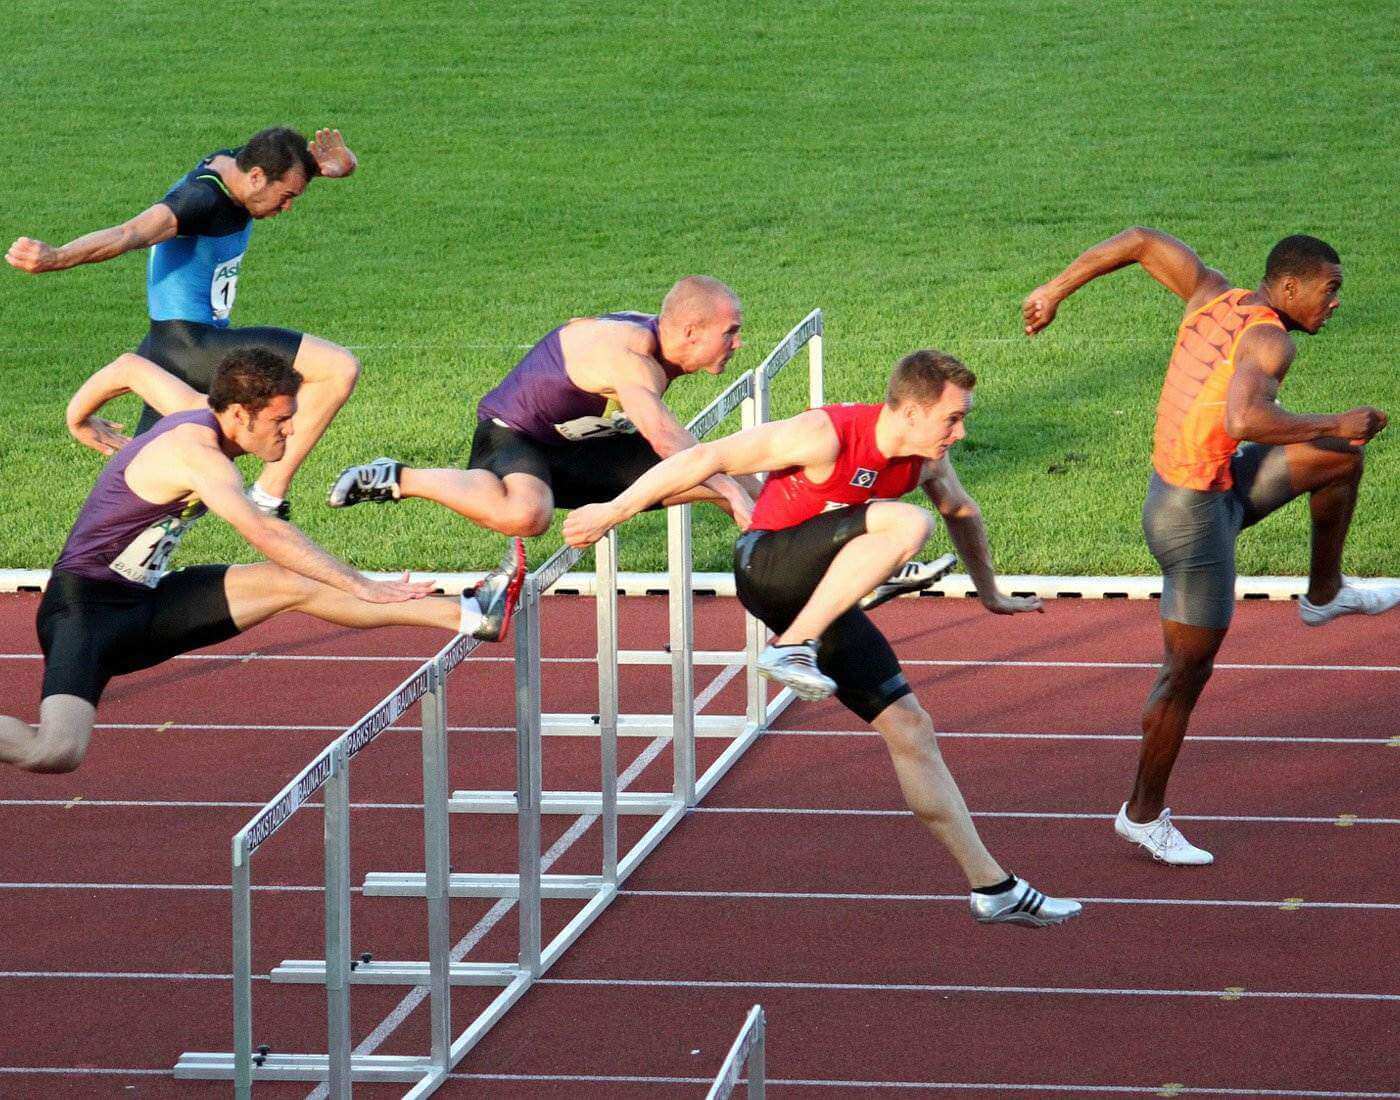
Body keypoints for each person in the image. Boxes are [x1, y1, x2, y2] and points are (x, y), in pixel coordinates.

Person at [563, 350, 1080, 927]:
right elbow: (705, 456)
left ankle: (993, 887)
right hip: (766, 565)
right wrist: (612, 511)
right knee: (909, 523)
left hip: (815, 601)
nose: (960, 432)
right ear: (909, 412)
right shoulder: (823, 434)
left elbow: (963, 511)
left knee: (911, 726)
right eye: (951, 419)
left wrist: (990, 593)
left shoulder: (925, 463)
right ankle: (798, 642)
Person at [1022, 227, 1396, 865]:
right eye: (1329, 290)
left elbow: (1140, 240)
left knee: (1338, 462)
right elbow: (1244, 421)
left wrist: (1055, 289)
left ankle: (1325, 594)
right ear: (1287, 286)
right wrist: (1338, 418)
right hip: (1190, 521)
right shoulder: (1271, 338)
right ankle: (1143, 815)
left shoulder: (1212, 294)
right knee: (1185, 673)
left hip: (1214, 489)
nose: (1335, 303)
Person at [0, 350, 524, 775]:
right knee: (56, 752)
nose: (289, 432)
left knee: (291, 583)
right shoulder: (196, 452)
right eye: (280, 420)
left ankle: (474, 613)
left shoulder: (202, 407)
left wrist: (78, 419)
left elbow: (127, 367)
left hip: (149, 602)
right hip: (84, 612)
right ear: (238, 414)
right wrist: (362, 584)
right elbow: (261, 528)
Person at [6, 126, 363, 517]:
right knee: (336, 368)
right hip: (191, 346)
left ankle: (100, 570)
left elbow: (282, 160)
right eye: (287, 196)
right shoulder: (200, 200)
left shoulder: (241, 166)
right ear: (257, 177)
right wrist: (57, 257)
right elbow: (130, 233)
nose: (287, 207)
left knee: (151, 500)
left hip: (173, 350)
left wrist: (331, 168)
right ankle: (268, 496)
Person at [329, 276, 758, 535]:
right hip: (514, 435)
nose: (738, 343)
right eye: (730, 332)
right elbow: (664, 436)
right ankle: (398, 476)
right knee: (528, 515)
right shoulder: (632, 356)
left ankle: (791, 563)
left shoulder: (664, 335)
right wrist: (730, 494)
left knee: (738, 479)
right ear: (689, 332)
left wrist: (734, 490)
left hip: (582, 449)